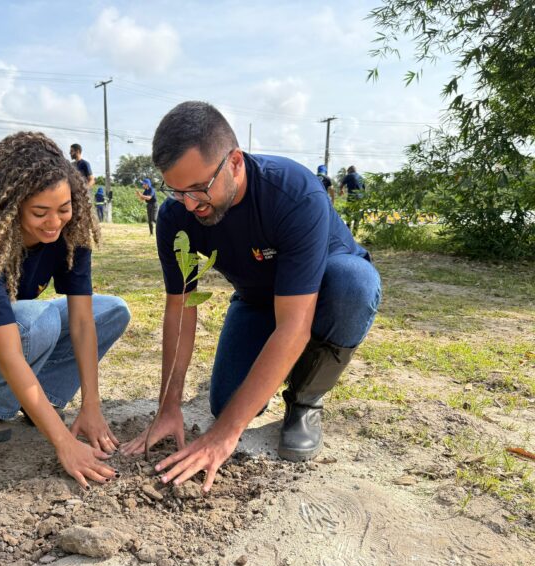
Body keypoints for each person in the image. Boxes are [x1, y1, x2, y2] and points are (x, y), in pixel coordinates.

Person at [121, 102, 381, 493]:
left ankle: (305, 400)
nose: (191, 204)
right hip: (258, 300)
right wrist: (168, 405)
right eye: (177, 191)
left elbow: (295, 323)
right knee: (226, 403)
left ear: (236, 162)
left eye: (200, 189)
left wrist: (224, 435)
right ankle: (267, 374)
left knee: (354, 285)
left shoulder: (293, 194)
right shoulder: (178, 218)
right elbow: (181, 308)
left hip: (324, 289)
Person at [0, 131, 131, 489]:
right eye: (39, 213)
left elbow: (81, 322)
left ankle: (40, 403)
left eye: (64, 209)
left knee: (111, 311)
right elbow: (10, 352)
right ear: (12, 206)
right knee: (37, 322)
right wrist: (64, 443)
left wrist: (90, 408)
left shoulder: (70, 233)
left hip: (16, 319)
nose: (54, 222)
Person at [339, 165, 366, 235]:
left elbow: (341, 184)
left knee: (349, 214)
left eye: (348, 171)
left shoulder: (349, 175)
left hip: (352, 197)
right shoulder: (361, 177)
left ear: (350, 170)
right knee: (357, 215)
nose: (347, 173)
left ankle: (348, 231)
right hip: (360, 199)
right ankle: (355, 232)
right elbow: (364, 190)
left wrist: (341, 190)